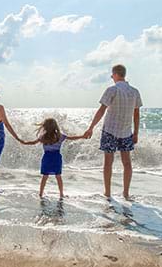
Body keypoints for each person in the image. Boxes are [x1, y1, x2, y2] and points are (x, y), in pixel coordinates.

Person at [83, 64, 143, 199]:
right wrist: (136, 133)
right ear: (124, 75)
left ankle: (108, 193)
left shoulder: (112, 90)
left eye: (112, 75)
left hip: (110, 130)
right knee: (127, 163)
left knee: (108, 163)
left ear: (116, 74)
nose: (112, 77)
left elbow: (101, 110)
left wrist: (91, 127)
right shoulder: (134, 91)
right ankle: (126, 193)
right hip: (127, 131)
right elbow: (137, 114)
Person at [21, 118, 85, 199]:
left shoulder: (43, 137)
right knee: (58, 176)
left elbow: (33, 142)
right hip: (56, 157)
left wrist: (23, 142)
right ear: (55, 126)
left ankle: (41, 194)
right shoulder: (59, 136)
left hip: (47, 157)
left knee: (45, 176)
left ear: (45, 127)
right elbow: (72, 138)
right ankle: (61, 194)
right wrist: (83, 136)